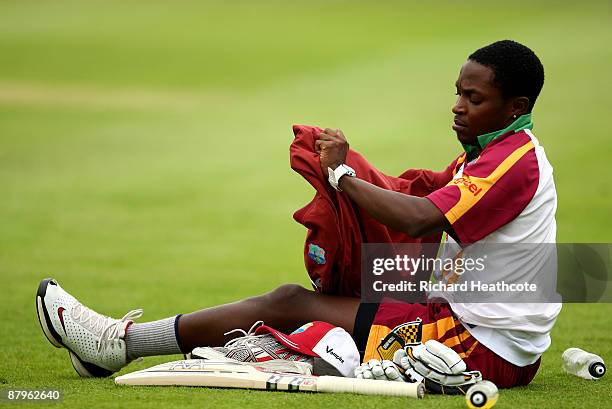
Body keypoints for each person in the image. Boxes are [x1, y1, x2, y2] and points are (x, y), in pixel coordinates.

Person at [35, 40, 560, 389]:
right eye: (457, 94)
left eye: (474, 97)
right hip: (483, 319)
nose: (458, 107)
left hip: (482, 346)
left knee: (291, 302)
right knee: (348, 287)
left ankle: (119, 345)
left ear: (514, 107)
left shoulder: (512, 160)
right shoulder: (498, 150)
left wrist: (341, 177)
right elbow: (424, 198)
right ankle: (275, 343)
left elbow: (420, 217)